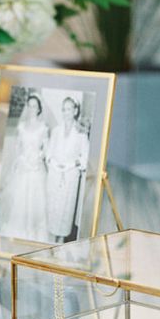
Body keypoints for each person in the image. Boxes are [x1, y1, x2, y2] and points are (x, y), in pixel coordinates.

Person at [0, 94, 49, 242]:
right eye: (29, 105)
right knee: (20, 196)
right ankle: (20, 230)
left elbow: (46, 149)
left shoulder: (43, 128)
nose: (32, 108)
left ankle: (34, 230)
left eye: (34, 106)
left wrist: (37, 158)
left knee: (35, 198)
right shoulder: (21, 126)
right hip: (23, 164)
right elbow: (18, 146)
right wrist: (23, 159)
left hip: (37, 166)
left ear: (39, 108)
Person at [46, 96, 90, 243]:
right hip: (54, 175)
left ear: (75, 111)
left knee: (65, 210)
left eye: (69, 109)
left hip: (70, 177)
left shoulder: (81, 133)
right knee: (53, 208)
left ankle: (60, 243)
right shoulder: (56, 131)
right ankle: (50, 242)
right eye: (64, 109)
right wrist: (54, 163)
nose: (66, 112)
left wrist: (71, 164)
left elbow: (85, 158)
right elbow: (48, 153)